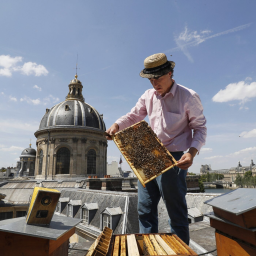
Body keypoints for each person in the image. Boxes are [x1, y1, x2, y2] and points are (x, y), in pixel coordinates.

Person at [106, 53, 207, 245]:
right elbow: (134, 115)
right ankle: (147, 249)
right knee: (144, 210)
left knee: (176, 213)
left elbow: (200, 128)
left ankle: (180, 251)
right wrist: (117, 125)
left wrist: (191, 153)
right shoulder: (148, 95)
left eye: (158, 78)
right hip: (148, 154)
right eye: (150, 79)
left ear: (170, 73)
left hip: (174, 157)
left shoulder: (188, 96)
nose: (154, 83)